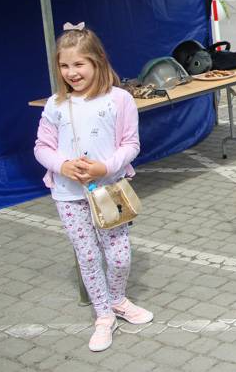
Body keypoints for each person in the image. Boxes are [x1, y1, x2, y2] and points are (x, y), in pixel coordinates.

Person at [34, 23, 153, 352]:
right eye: (64, 65)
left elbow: (131, 144)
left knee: (119, 257)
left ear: (98, 60)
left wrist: (106, 166)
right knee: (87, 258)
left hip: (109, 192)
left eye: (78, 64)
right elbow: (42, 147)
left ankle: (117, 299)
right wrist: (63, 165)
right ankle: (103, 315)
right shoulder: (56, 105)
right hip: (68, 195)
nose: (71, 72)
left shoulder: (121, 99)